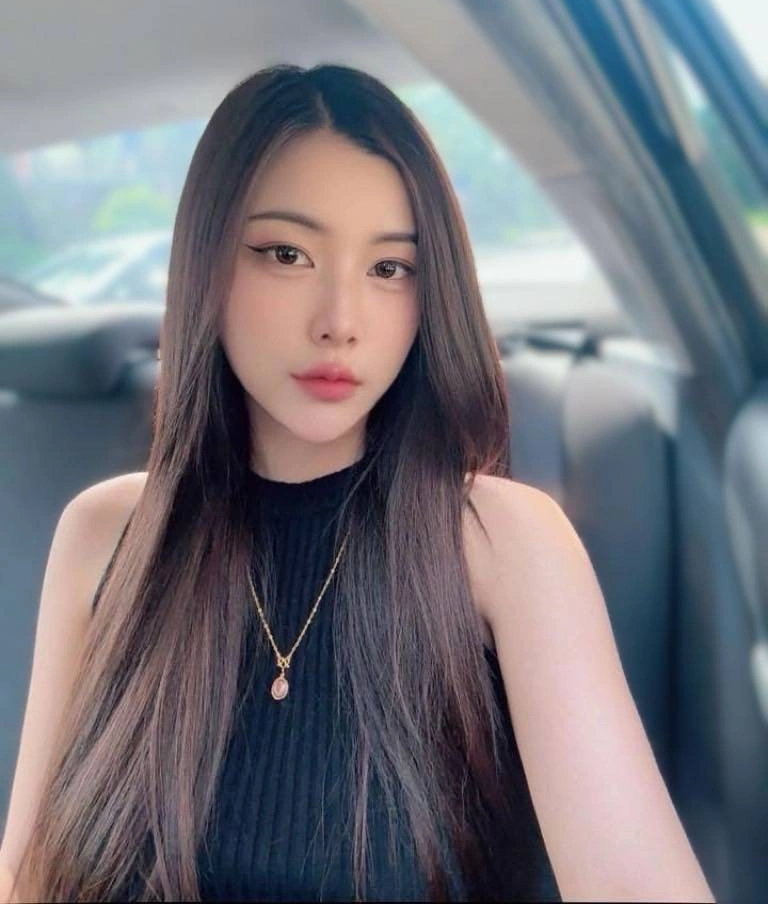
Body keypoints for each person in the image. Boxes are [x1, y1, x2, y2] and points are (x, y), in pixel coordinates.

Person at [0, 64, 715, 903]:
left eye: (390, 268)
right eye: (287, 254)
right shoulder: (105, 533)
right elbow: (28, 878)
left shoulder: (504, 542)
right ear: (206, 266)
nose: (340, 320)